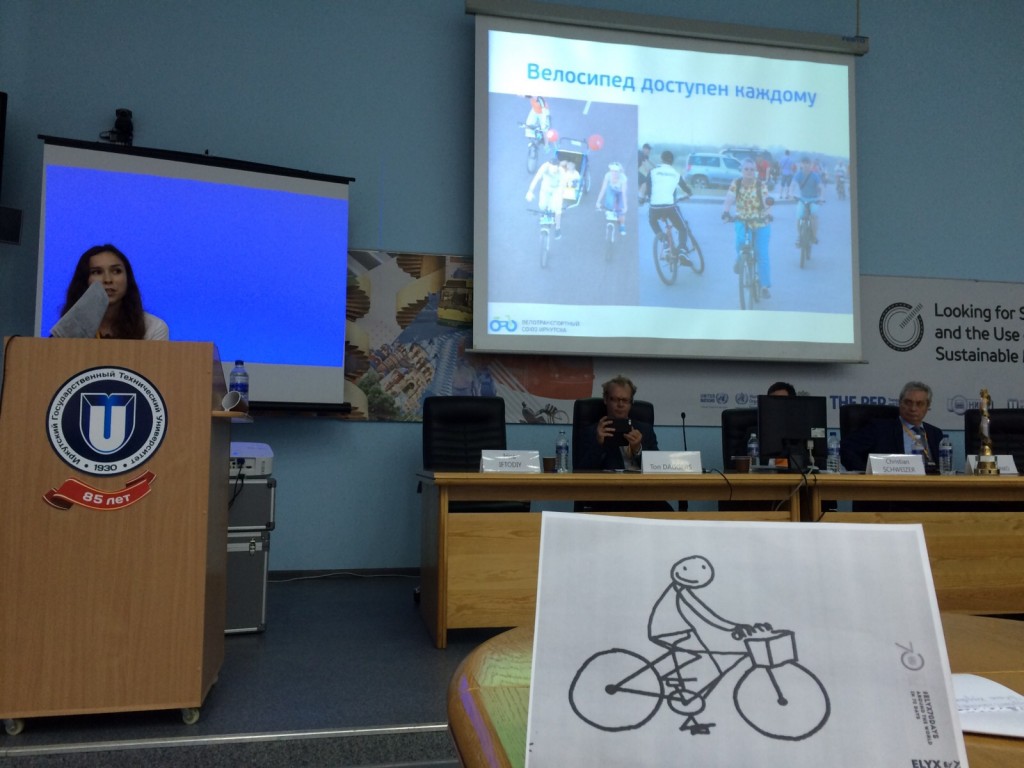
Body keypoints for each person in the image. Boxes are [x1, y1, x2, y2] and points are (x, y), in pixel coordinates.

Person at [647, 555, 773, 734]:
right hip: (669, 632)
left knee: (705, 657)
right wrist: (733, 627)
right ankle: (674, 681)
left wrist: (733, 626)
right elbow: (704, 616)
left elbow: (705, 613)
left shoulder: (683, 590)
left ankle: (678, 685)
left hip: (681, 631)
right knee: (709, 659)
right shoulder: (681, 591)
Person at [61, 244, 169, 340]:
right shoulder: (69, 327)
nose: (108, 280)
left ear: (128, 279)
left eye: (116, 271)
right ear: (84, 281)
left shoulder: (153, 328)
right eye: (97, 272)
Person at [840, 381, 943, 472]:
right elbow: (846, 449)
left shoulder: (935, 434)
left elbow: (942, 467)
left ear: (927, 407)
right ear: (900, 403)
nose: (913, 408)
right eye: (908, 402)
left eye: (919, 404)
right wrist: (867, 473)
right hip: (893, 484)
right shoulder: (880, 429)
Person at [577, 375, 659, 471]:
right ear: (605, 399)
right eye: (615, 399)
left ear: (631, 402)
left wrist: (638, 450)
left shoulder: (646, 430)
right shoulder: (591, 432)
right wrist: (599, 444)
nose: (620, 404)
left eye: (625, 400)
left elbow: (657, 467)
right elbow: (580, 471)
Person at [722, 158, 773, 299]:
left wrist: (768, 215)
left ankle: (764, 286)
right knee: (741, 244)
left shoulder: (761, 185)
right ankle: (740, 259)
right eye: (746, 169)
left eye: (752, 169)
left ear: (755, 171)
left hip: (761, 222)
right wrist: (726, 212)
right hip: (743, 220)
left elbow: (766, 201)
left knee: (762, 254)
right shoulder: (736, 183)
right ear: (741, 170)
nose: (749, 172)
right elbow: (729, 198)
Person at [647, 150, 693, 265]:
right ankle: (682, 251)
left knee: (652, 221)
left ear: (661, 159)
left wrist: (650, 199)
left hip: (655, 207)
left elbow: (649, 190)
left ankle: (666, 244)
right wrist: (688, 194)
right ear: (672, 161)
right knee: (682, 228)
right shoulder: (676, 174)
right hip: (669, 207)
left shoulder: (652, 172)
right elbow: (686, 189)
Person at [525, 157, 566, 238]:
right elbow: (536, 179)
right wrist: (530, 191)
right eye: (552, 168)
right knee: (542, 206)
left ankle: (557, 228)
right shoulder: (544, 167)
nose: (553, 170)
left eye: (555, 168)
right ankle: (545, 216)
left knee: (557, 208)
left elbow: (562, 185)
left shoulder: (561, 172)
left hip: (556, 189)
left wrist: (559, 197)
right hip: (545, 189)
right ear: (549, 165)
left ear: (558, 167)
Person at [792, 156, 823, 246]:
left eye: (808, 163)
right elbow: (793, 184)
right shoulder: (798, 174)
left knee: (814, 217)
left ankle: (814, 236)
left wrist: (821, 197)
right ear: (801, 164)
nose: (806, 165)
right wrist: (790, 193)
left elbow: (821, 187)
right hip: (802, 199)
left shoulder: (815, 175)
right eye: (804, 163)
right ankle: (799, 236)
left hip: (814, 199)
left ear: (811, 165)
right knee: (798, 217)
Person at [595, 161, 628, 236]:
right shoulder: (608, 175)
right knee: (609, 204)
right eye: (612, 171)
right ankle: (610, 210)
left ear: (619, 172)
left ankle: (622, 225)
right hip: (611, 190)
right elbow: (603, 189)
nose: (614, 173)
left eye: (616, 171)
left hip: (620, 192)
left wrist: (625, 206)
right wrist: (598, 201)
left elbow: (624, 193)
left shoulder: (623, 178)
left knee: (621, 209)